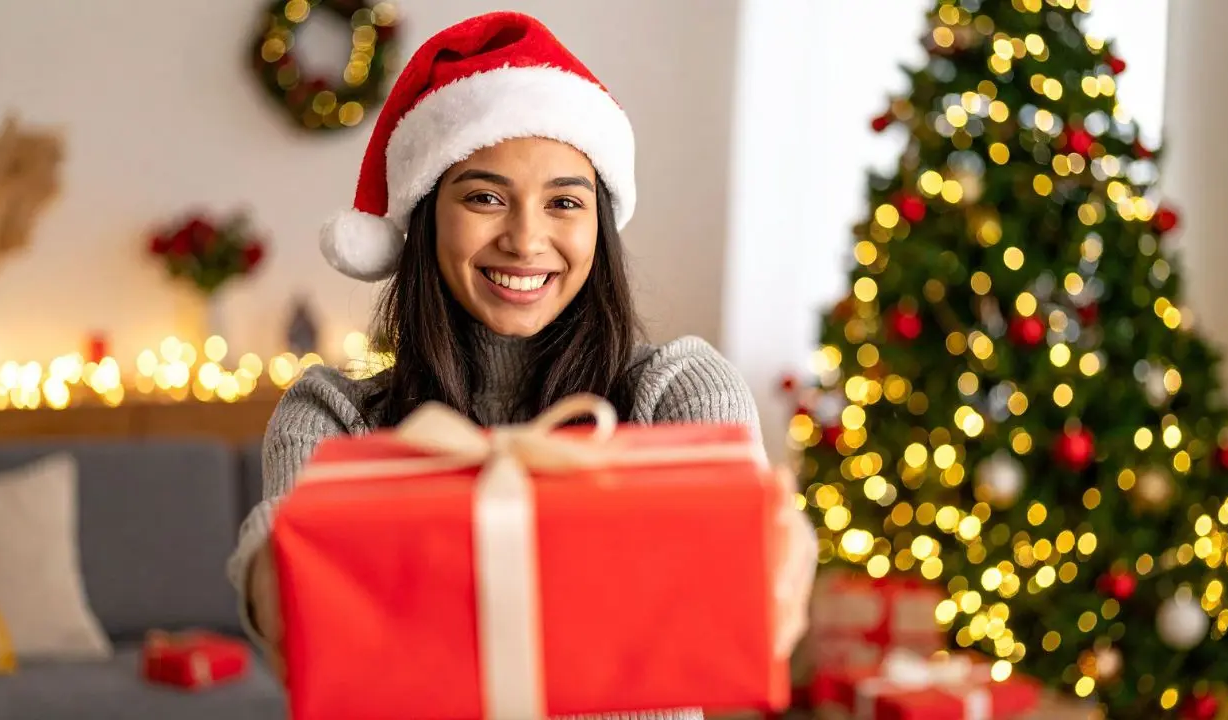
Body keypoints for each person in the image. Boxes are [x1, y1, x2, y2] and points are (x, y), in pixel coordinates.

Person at [226, 10, 816, 718]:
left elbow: (737, 572)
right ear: (424, 217)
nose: (526, 238)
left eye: (564, 201)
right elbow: (280, 545)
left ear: (599, 222)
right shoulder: (333, 414)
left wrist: (779, 557)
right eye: (484, 197)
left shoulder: (677, 391)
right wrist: (277, 583)